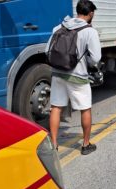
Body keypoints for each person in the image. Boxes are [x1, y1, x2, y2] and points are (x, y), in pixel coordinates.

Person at [47, 0, 100, 155]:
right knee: (85, 108)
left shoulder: (59, 27)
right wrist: (88, 62)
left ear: (77, 11)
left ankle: (54, 145)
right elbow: (96, 58)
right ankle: (85, 144)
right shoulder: (90, 31)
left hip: (57, 73)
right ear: (90, 14)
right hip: (77, 76)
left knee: (56, 107)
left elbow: (47, 50)